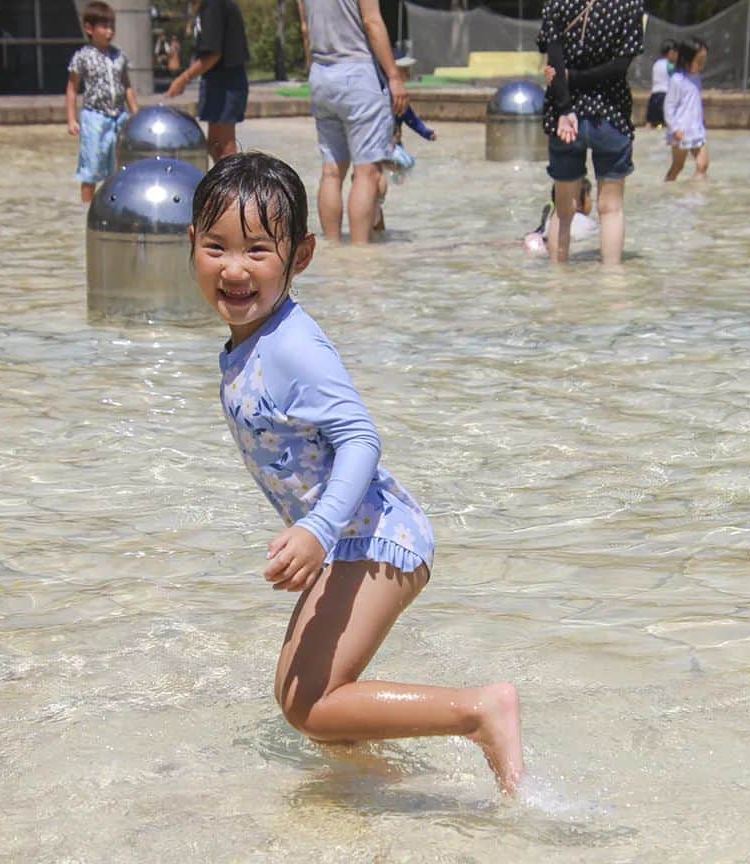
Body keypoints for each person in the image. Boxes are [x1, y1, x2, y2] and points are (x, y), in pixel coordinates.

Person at [188, 151, 525, 795]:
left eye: (258, 250)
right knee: (304, 700)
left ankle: (479, 711)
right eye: (216, 247)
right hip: (348, 538)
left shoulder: (292, 344)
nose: (234, 268)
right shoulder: (250, 339)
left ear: (301, 257)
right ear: (191, 246)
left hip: (374, 537)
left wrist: (317, 528)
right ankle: (382, 782)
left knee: (306, 703)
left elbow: (361, 439)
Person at [537, 0, 645, 265]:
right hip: (611, 114)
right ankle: (611, 284)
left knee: (563, 211)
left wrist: (565, 106)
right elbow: (620, 67)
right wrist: (577, 77)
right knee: (611, 209)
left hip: (565, 118)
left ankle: (557, 284)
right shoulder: (629, 4)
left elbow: (555, 63)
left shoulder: (558, 3)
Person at [297, 0, 409, 244]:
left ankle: (332, 247)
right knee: (366, 172)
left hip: (321, 73)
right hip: (357, 73)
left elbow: (306, 29)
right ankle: (360, 252)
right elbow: (371, 21)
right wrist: (394, 75)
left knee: (331, 172)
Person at [65, 1, 139, 204]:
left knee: (118, 166)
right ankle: (87, 209)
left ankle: (114, 206)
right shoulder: (82, 56)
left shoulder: (119, 56)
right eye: (104, 27)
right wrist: (71, 119)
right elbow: (72, 88)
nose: (110, 32)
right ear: (89, 28)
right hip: (94, 117)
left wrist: (136, 114)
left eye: (112, 27)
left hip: (119, 116)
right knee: (91, 168)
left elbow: (127, 86)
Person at [166, 0, 249, 163]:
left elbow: (213, 54)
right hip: (216, 79)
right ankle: (222, 184)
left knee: (225, 149)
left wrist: (183, 79)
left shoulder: (214, 5)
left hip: (226, 81)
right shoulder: (206, 7)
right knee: (214, 145)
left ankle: (233, 186)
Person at [373, 53, 437, 232]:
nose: (409, 72)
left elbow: (412, 120)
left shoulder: (399, 99)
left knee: (405, 166)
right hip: (385, 147)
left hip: (395, 146)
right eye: (405, 70)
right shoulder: (381, 97)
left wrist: (427, 133)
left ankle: (390, 189)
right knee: (390, 169)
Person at [664, 37, 709, 182]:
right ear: (686, 60)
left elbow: (694, 103)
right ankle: (668, 186)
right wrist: (674, 128)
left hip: (696, 130)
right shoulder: (677, 80)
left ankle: (697, 194)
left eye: (704, 62)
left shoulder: (697, 78)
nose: (702, 66)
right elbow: (669, 106)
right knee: (678, 166)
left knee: (703, 164)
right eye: (699, 62)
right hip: (681, 131)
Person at [523, 178, 597, 256]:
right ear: (577, 203)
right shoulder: (586, 221)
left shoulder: (552, 221)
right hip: (574, 248)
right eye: (589, 196)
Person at [645, 38, 677, 129]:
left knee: (651, 121)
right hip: (665, 96)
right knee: (666, 123)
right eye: (674, 53)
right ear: (670, 53)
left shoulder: (656, 64)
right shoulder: (670, 65)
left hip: (654, 96)